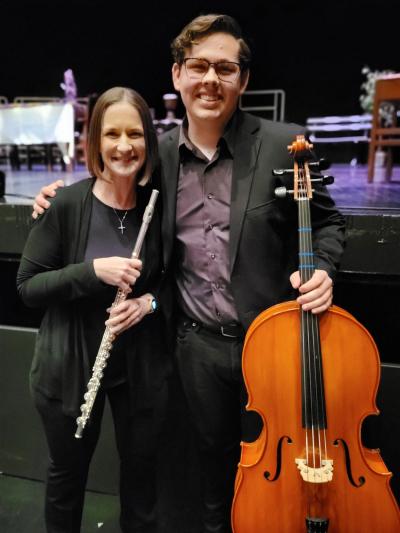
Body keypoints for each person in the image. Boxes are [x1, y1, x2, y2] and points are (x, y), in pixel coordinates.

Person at [32, 14, 346, 533]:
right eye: (198, 66)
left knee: (288, 470)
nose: (210, 79)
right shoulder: (158, 157)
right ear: (177, 75)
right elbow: (111, 178)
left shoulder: (283, 143)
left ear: (243, 80)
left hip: (273, 343)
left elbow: (329, 220)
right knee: (209, 478)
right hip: (194, 349)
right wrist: (60, 191)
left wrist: (326, 269)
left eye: (225, 68)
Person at [19, 86, 170, 533]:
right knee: (67, 481)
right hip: (70, 368)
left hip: (138, 371)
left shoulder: (157, 206)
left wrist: (149, 302)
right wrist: (92, 272)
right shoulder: (65, 202)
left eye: (135, 134)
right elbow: (28, 287)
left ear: (148, 140)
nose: (124, 146)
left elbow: (170, 284)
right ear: (96, 142)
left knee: (142, 484)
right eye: (112, 134)